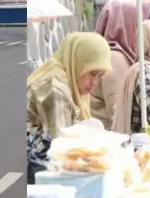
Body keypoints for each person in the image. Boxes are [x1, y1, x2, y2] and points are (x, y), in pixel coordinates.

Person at [26, 32, 113, 182]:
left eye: (100, 76)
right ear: (77, 62)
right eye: (92, 73)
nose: (94, 83)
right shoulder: (55, 87)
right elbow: (61, 146)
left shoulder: (71, 80)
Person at [89, 0, 148, 129]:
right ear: (128, 24)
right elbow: (119, 112)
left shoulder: (123, 55)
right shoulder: (114, 58)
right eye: (139, 24)